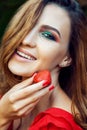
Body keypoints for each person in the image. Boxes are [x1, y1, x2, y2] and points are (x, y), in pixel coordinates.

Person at [0, 0, 87, 129]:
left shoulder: (58, 125)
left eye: (47, 35)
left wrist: (2, 118)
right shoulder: (6, 98)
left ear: (67, 58)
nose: (25, 40)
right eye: (24, 26)